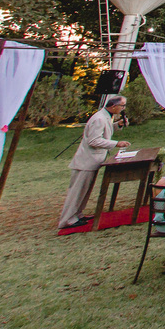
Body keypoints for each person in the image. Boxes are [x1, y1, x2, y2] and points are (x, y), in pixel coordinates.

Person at [58, 95, 130, 229]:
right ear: (114, 106)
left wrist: (117, 125)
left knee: (85, 191)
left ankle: (77, 214)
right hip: (86, 161)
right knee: (77, 191)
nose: (123, 108)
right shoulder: (99, 118)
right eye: (122, 106)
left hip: (94, 161)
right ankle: (67, 219)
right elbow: (94, 140)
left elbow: (104, 132)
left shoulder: (107, 116)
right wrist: (116, 143)